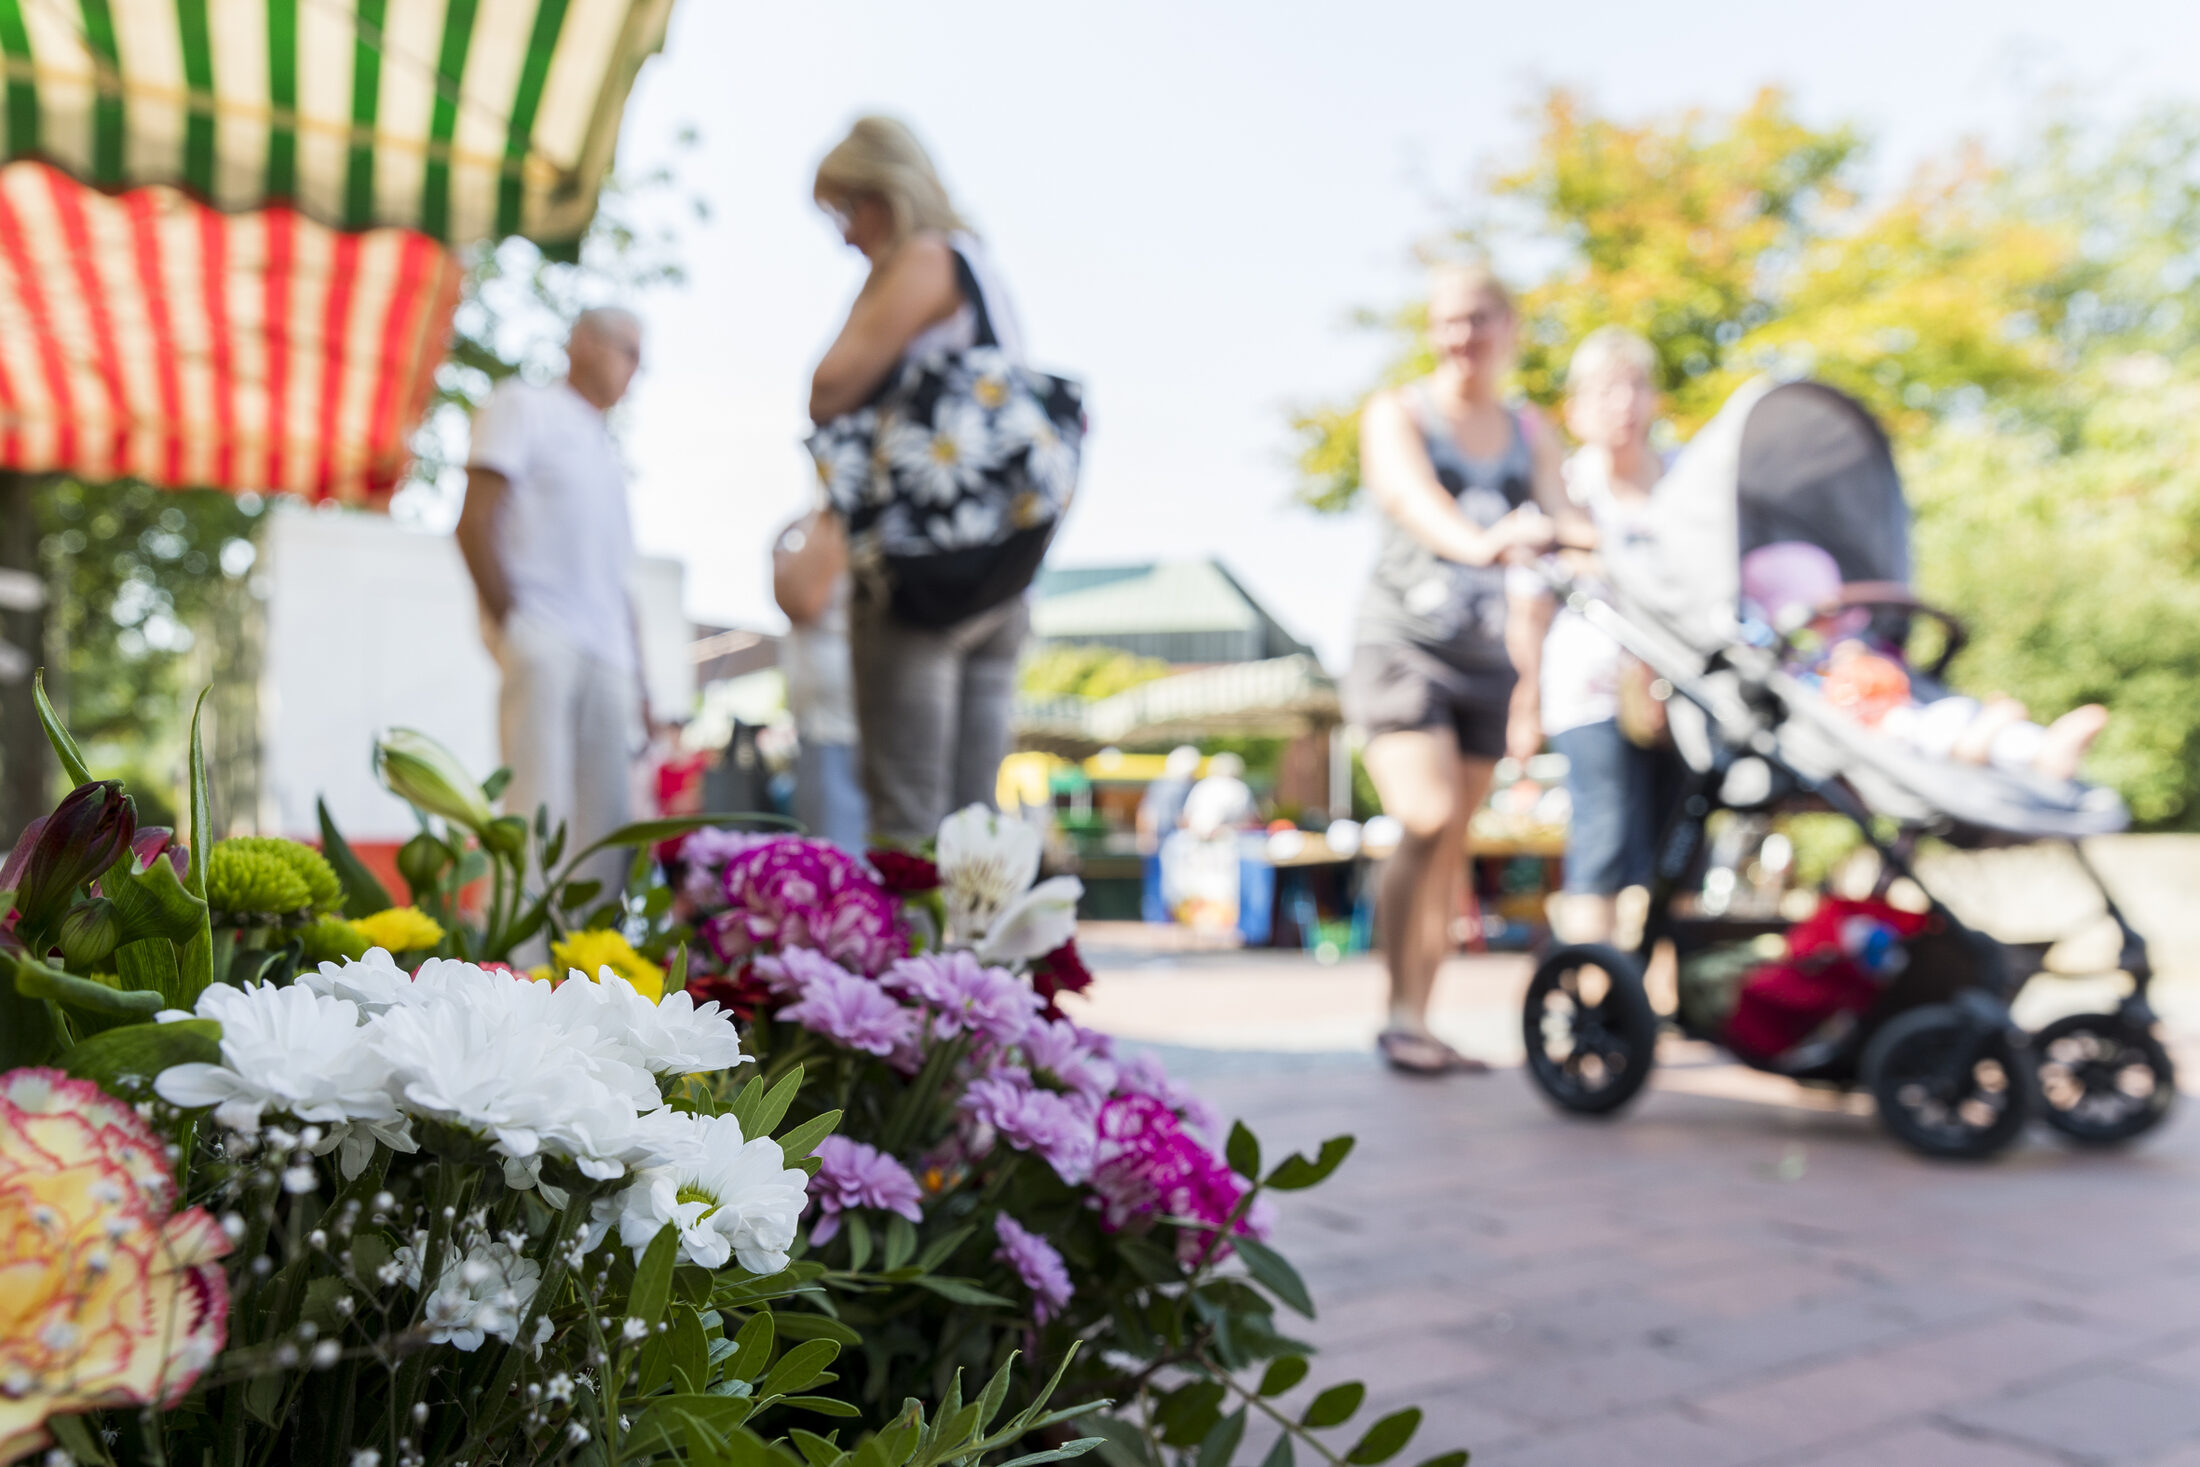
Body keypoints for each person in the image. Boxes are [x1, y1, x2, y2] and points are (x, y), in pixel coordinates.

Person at [1346, 262, 1582, 1075]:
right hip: (1404, 646)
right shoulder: (1398, 412)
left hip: (1489, 661)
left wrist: (1603, 540)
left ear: (1510, 326)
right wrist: (1482, 541)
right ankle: (1399, 1011)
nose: (1463, 335)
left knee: (1454, 842)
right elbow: (1411, 497)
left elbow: (1562, 514)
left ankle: (1423, 1016)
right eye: (1448, 319)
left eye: (1480, 317)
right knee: (1424, 814)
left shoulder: (1530, 428)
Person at [808, 115, 1031, 844]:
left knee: (908, 831)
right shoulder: (982, 269)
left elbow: (830, 387)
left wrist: (873, 288)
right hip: (999, 576)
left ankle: (915, 962)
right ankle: (975, 963)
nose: (843, 236)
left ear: (885, 194)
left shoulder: (924, 259)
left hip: (922, 577)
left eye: (846, 210)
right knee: (974, 836)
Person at [455, 307, 650, 891]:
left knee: (604, 833)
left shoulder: (605, 451)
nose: (637, 371)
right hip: (544, 636)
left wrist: (645, 688)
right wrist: (514, 627)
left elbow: (618, 582)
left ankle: (593, 974)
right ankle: (518, 971)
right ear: (583, 343)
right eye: (629, 351)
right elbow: (473, 522)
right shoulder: (523, 405)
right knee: (535, 815)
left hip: (609, 658)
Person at [1506, 327, 1682, 947]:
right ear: (1577, 408)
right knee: (1603, 839)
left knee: (1675, 845)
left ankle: (1659, 995)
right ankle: (1595, 984)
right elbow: (1527, 609)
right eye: (1606, 390)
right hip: (1590, 689)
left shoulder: (1683, 483)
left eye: (1636, 386)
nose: (1623, 403)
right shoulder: (1565, 486)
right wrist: (1525, 702)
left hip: (1682, 685)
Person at [1740, 541, 2109, 780]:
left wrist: (1855, 657)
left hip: (1903, 711)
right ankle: (2028, 748)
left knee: (1949, 715)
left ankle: (2040, 746)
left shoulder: (1850, 644)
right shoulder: (1784, 662)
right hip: (1872, 732)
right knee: (1926, 729)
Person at [773, 508, 870, 851]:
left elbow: (796, 598)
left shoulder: (835, 519)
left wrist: (778, 546)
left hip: (835, 727)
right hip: (846, 720)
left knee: (837, 859)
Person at [1137, 745, 1202, 922]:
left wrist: (1145, 835)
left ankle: (1160, 918)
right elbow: (1181, 816)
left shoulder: (1160, 783)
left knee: (1162, 883)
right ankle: (1163, 918)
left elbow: (1146, 811)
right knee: (1170, 883)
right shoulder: (1178, 785)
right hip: (1171, 840)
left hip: (1162, 838)